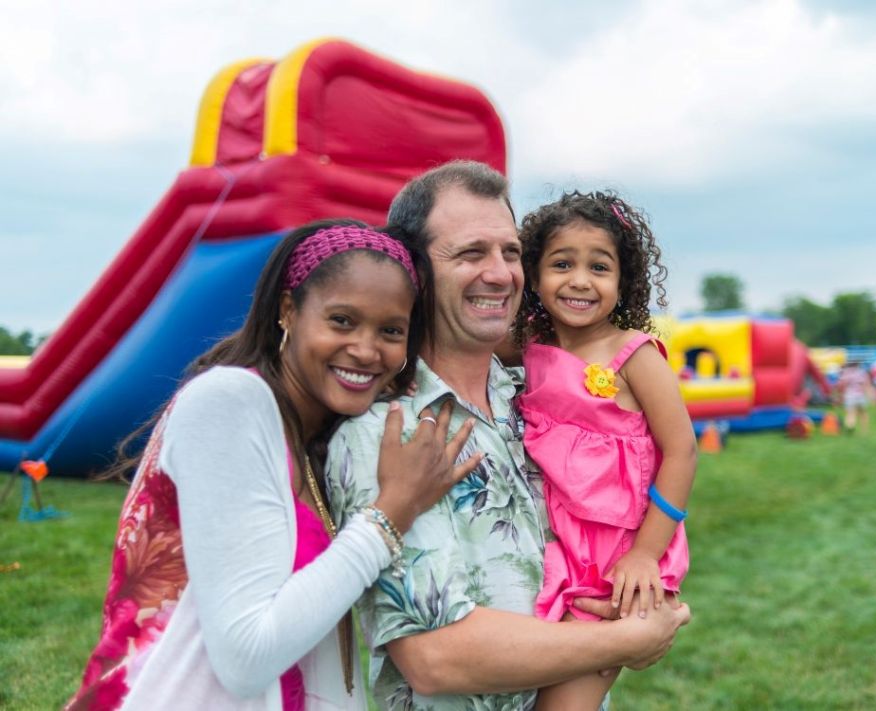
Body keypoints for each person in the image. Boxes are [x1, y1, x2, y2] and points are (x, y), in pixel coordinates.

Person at [66, 221, 481, 710]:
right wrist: (392, 514)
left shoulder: (313, 438)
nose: (367, 350)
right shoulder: (229, 402)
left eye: (390, 331)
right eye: (342, 321)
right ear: (288, 311)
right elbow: (247, 657)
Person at [326, 162, 691, 710]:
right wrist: (627, 639)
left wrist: (643, 564)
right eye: (471, 253)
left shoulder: (530, 395)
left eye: (511, 253)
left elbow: (657, 459)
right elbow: (434, 657)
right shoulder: (382, 432)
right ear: (415, 272)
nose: (500, 274)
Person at [512, 191, 697, 709]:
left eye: (599, 266)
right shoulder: (527, 346)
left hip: (616, 559)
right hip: (553, 544)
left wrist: (644, 553)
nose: (579, 280)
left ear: (624, 279)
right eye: (561, 263)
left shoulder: (633, 355)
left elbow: (681, 450)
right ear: (533, 272)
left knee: (564, 702)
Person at [836, 362, 872, 434]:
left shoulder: (846, 373)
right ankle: (864, 430)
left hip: (849, 396)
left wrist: (841, 395)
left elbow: (841, 385)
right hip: (860, 396)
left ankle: (850, 425)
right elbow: (866, 385)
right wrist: (869, 395)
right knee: (863, 413)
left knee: (850, 413)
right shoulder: (862, 373)